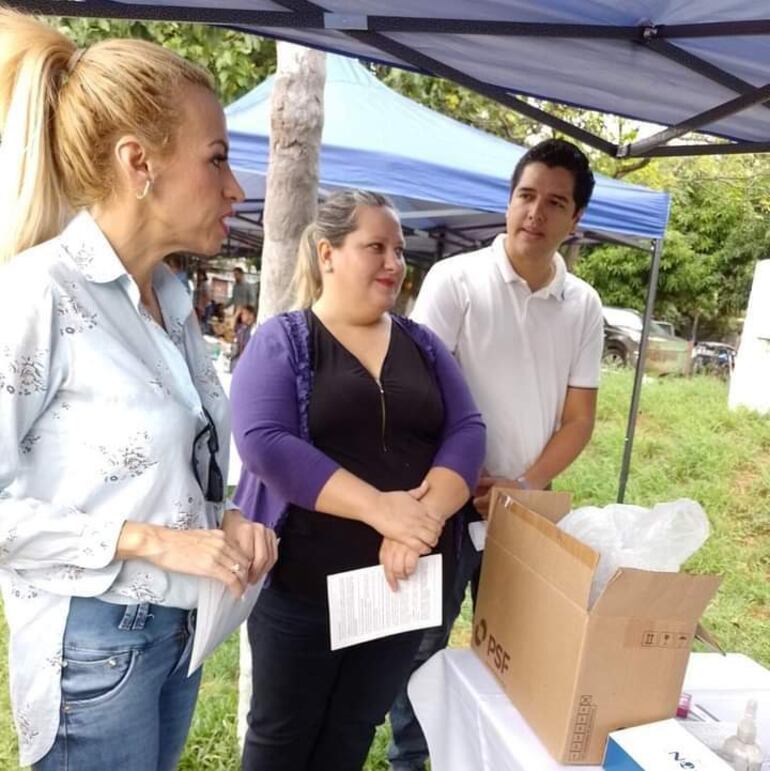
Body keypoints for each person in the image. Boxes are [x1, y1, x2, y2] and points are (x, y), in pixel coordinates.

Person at [0, 10, 277, 771]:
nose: (236, 186)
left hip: (176, 636)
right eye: (217, 160)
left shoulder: (170, 302)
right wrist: (150, 539)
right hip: (96, 649)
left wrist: (228, 522)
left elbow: (163, 470)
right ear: (138, 162)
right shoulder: (37, 294)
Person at [230, 189, 486, 771]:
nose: (394, 263)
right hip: (302, 587)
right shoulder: (285, 340)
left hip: (396, 586)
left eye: (399, 250)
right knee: (281, 737)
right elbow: (266, 444)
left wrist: (418, 524)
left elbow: (467, 430)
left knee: (353, 730)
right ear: (328, 253)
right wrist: (380, 510)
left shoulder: (421, 343)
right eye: (376, 247)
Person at [387, 138, 604, 771]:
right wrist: (463, 474)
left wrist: (525, 484)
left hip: (524, 514)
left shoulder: (583, 305)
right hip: (445, 502)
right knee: (421, 644)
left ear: (575, 220)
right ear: (509, 202)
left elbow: (579, 418)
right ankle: (411, 760)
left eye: (554, 203)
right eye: (525, 196)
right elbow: (417, 391)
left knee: (517, 651)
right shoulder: (457, 280)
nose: (535, 213)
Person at [231, 303, 256, 370]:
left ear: (250, 315)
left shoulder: (254, 329)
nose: (241, 316)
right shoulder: (242, 327)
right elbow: (232, 327)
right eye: (241, 314)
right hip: (239, 358)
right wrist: (236, 314)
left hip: (247, 361)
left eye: (244, 314)